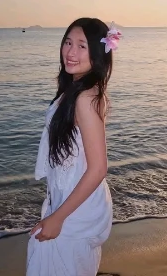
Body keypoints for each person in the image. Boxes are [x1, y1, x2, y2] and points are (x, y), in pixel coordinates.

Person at [27, 18, 122, 276]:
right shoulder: (78, 89)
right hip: (70, 195)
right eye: (68, 42)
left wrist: (58, 217)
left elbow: (98, 168)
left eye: (82, 46)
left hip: (78, 207)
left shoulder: (86, 97)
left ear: (98, 53)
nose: (71, 52)